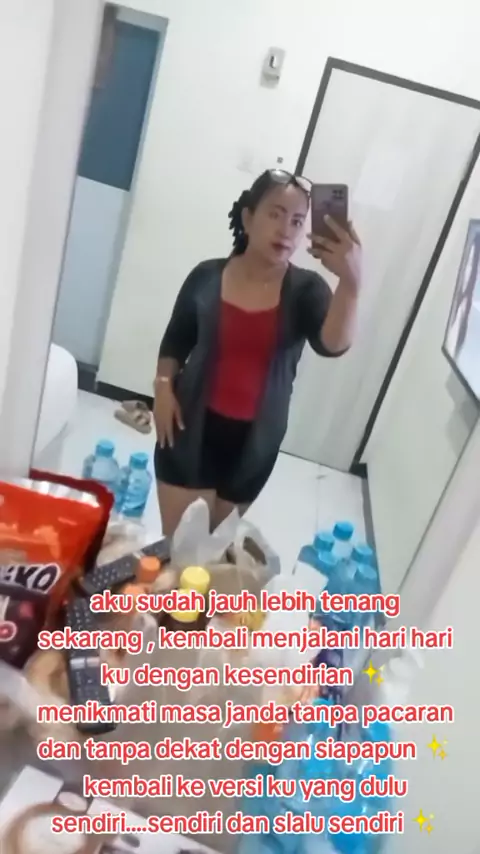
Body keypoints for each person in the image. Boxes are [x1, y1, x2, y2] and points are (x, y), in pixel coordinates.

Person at [153, 169, 362, 536]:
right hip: (187, 429)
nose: (286, 230)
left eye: (297, 221)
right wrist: (162, 387)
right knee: (179, 548)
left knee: (210, 553)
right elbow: (176, 340)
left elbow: (332, 345)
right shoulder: (206, 277)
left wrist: (351, 283)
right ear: (248, 218)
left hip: (254, 446)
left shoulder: (307, 291)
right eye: (275, 214)